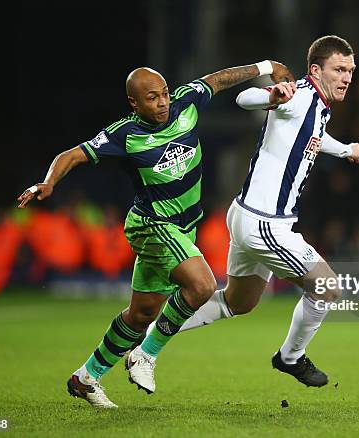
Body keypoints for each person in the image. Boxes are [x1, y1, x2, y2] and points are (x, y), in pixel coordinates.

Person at [17, 60, 294, 408]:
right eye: (152, 98)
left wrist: (267, 66)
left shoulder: (186, 101)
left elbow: (221, 79)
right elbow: (73, 154)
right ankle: (145, 355)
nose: (162, 102)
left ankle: (86, 376)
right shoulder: (125, 134)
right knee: (203, 285)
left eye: (163, 94)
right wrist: (49, 181)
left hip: (183, 228)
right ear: (135, 103)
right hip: (153, 226)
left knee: (142, 314)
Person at [147, 35, 359, 388]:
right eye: (339, 69)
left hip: (246, 214)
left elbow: (312, 136)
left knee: (238, 302)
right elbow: (243, 98)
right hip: (267, 224)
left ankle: (148, 337)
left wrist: (344, 150)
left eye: (351, 71)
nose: (346, 77)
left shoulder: (317, 107)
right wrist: (270, 95)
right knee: (327, 287)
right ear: (315, 70)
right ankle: (290, 358)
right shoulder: (298, 96)